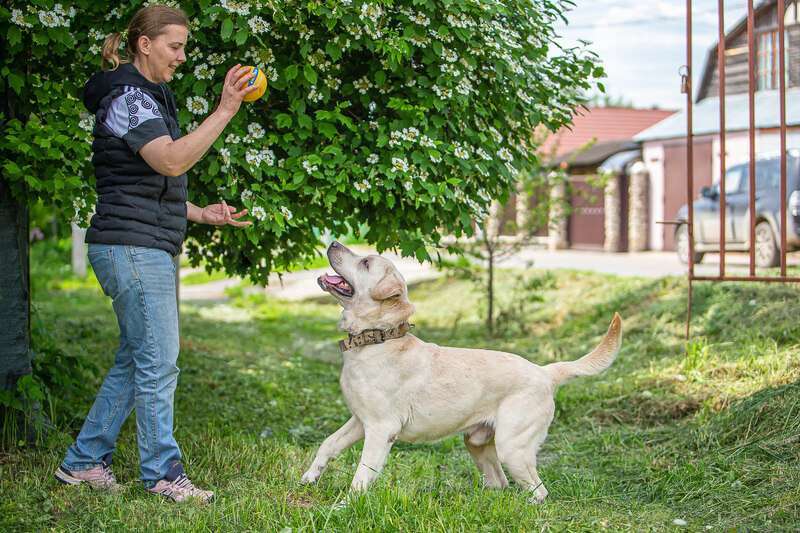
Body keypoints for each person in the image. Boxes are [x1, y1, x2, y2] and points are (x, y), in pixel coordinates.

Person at [55, 4, 257, 503]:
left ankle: (83, 462)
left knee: (136, 357)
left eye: (184, 47)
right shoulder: (129, 97)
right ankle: (164, 475)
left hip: (142, 242)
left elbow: (142, 185)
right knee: (159, 361)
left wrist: (200, 213)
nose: (182, 57)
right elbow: (169, 160)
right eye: (176, 46)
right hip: (131, 247)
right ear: (145, 44)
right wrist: (225, 111)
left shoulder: (148, 96)